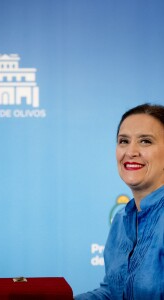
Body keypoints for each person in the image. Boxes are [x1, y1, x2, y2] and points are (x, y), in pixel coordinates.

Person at [75, 103, 164, 299]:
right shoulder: (121, 220)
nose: (130, 152)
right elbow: (111, 293)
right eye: (123, 141)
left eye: (145, 141)